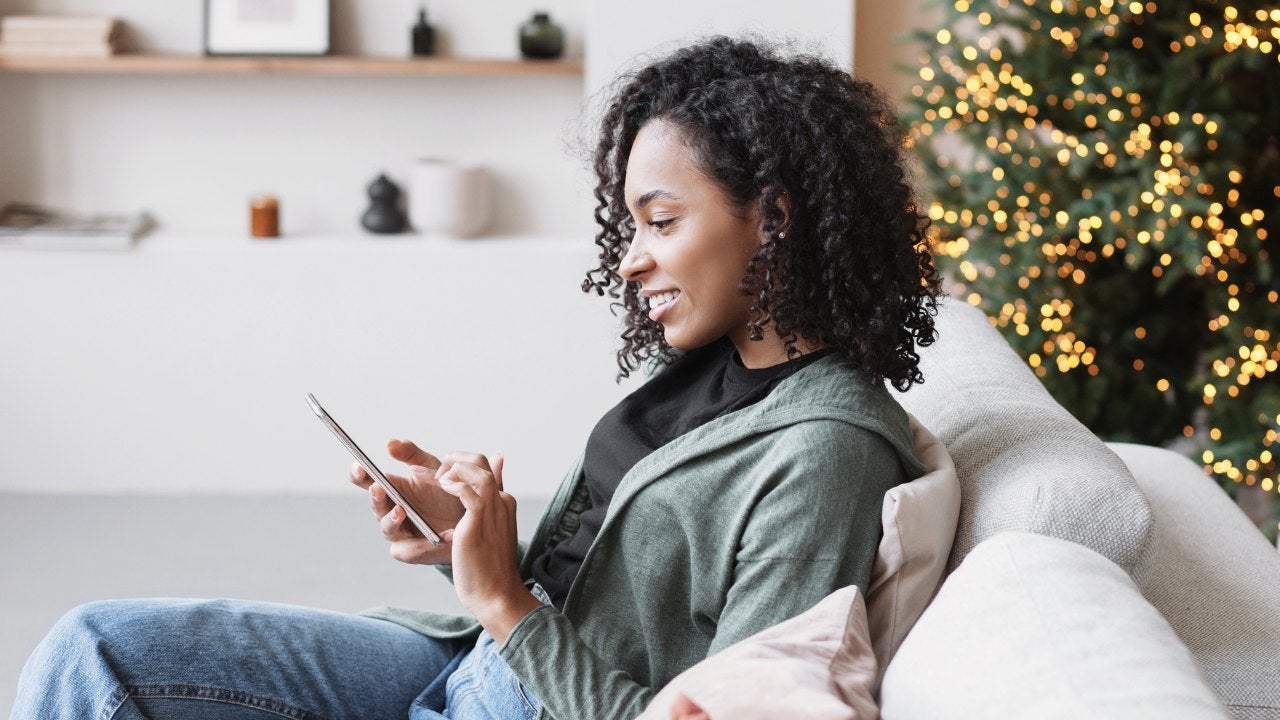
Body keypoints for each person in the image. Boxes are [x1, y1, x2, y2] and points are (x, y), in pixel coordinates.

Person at [11, 36, 940, 720]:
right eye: (632, 228)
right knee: (93, 647)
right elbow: (623, 588)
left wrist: (505, 601)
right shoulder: (714, 363)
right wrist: (469, 539)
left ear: (772, 217)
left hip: (517, 692)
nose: (629, 261)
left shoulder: (825, 458)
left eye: (661, 222)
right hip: (473, 662)